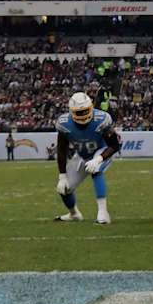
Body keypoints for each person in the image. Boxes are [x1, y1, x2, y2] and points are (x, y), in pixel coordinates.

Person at [54, 92, 121, 224]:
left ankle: (103, 213)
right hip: (82, 155)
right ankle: (74, 214)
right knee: (64, 188)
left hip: (101, 152)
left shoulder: (102, 119)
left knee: (95, 169)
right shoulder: (64, 123)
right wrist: (62, 176)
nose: (83, 115)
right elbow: (61, 149)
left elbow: (114, 145)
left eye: (85, 111)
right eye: (79, 112)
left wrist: (99, 159)